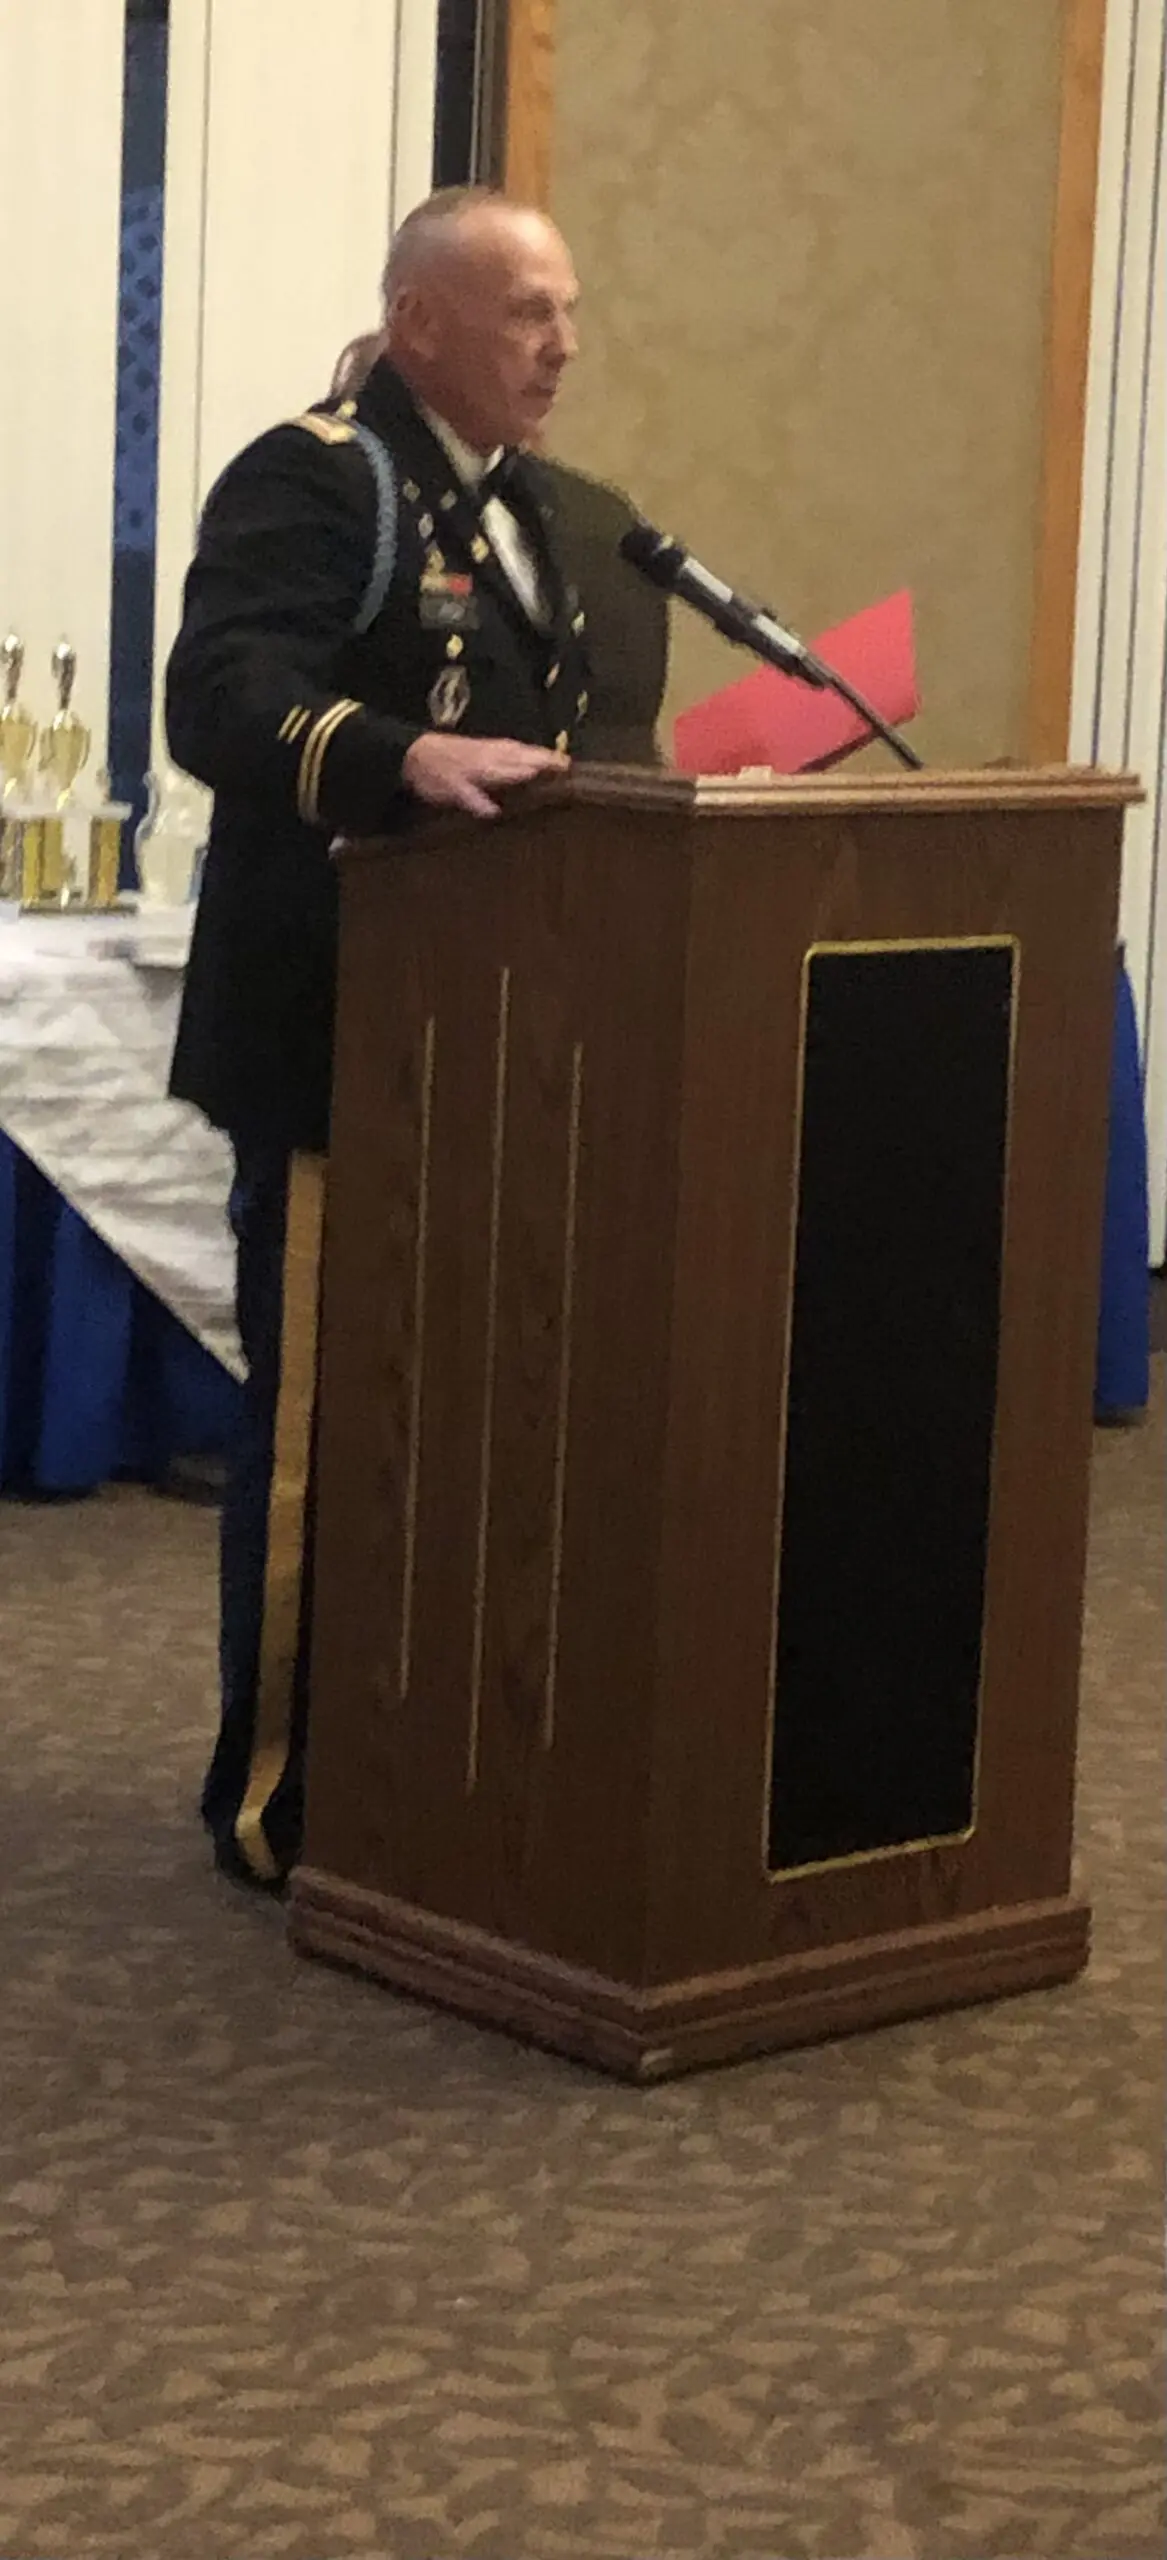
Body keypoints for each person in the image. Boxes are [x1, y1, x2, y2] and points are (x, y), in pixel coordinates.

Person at [166, 188, 658, 1891]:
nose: (563, 345)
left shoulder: (542, 513)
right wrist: (395, 756)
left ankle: (447, 1765)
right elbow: (221, 694)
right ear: (419, 319)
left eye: (568, 310)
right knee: (329, 1435)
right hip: (340, 1049)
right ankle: (282, 1792)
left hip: (512, 1049)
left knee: (479, 1428)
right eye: (527, 312)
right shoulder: (317, 477)